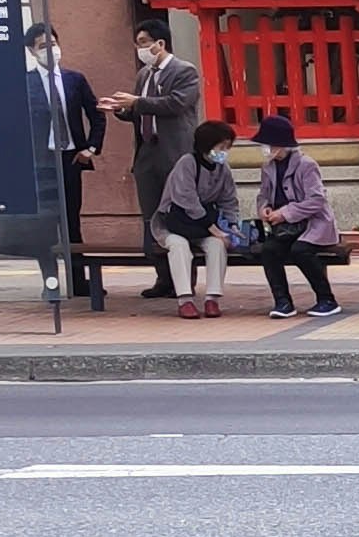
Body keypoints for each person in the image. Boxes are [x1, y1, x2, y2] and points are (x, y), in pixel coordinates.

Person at [25, 20, 107, 309]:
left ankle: (78, 280)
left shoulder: (75, 79)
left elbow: (97, 115)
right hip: (42, 163)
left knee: (72, 221)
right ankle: (50, 282)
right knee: (45, 226)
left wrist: (91, 148)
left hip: (71, 158)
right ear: (33, 51)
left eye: (54, 43)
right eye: (43, 46)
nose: (51, 50)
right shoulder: (25, 82)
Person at [116, 21, 200, 301]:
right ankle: (162, 277)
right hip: (147, 153)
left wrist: (136, 102)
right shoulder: (143, 75)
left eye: (143, 42)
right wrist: (121, 109)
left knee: (178, 215)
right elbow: (141, 111)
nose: (140, 48)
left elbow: (175, 104)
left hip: (175, 154)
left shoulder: (184, 71)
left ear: (160, 44)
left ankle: (184, 281)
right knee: (152, 217)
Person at [246, 111, 344, 317]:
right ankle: (283, 303)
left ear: (280, 144)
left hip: (313, 224)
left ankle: (327, 299)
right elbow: (263, 194)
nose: (265, 149)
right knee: (269, 251)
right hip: (285, 228)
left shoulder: (306, 165)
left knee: (301, 251)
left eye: (268, 144)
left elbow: (317, 200)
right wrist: (264, 208)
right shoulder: (268, 167)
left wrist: (286, 213)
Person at [151, 116, 240, 316]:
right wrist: (213, 228)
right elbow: (186, 198)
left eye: (228, 147)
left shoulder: (223, 169)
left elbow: (229, 198)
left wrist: (233, 225)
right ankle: (185, 300)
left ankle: (212, 299)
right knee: (179, 247)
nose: (224, 152)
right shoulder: (187, 163)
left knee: (217, 245)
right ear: (207, 145)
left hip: (203, 227)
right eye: (221, 146)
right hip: (175, 223)